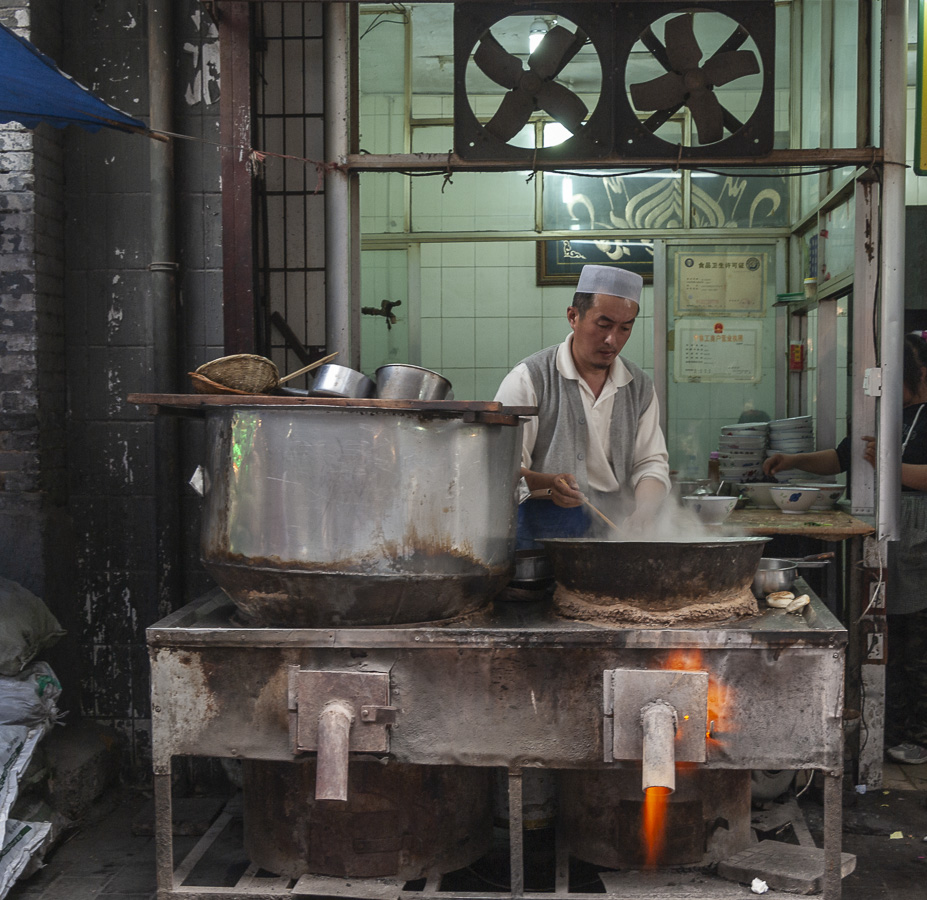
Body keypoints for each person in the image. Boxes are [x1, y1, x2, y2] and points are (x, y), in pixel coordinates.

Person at [764, 332, 927, 765]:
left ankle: (916, 733)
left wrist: (889, 463)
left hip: (917, 537)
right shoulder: (877, 415)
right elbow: (840, 460)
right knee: (884, 633)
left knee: (914, 639)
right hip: (884, 535)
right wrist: (793, 461)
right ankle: (885, 723)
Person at [494, 264, 671, 548]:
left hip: (616, 531)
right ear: (573, 316)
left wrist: (644, 513)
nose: (612, 339)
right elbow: (502, 468)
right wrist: (549, 483)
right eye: (603, 325)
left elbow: (650, 464)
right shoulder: (529, 378)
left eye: (625, 328)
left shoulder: (639, 386)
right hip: (542, 535)